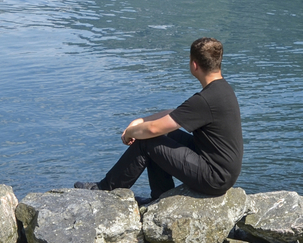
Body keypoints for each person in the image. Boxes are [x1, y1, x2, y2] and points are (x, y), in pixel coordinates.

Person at [76, 37, 243, 201]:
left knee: (147, 141)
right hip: (220, 169)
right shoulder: (221, 90)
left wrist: (130, 132)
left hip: (215, 177)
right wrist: (141, 120)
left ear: (194, 65)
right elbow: (175, 113)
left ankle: (105, 189)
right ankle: (159, 197)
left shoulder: (206, 99)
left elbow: (153, 129)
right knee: (166, 135)